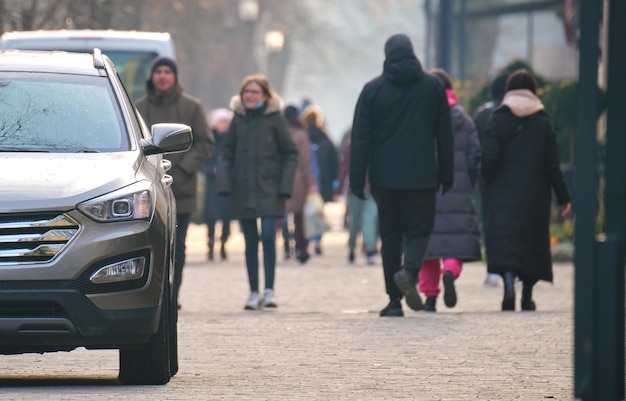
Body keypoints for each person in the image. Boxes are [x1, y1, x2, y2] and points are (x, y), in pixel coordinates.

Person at [350, 33, 454, 317]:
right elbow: (444, 135)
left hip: (385, 177)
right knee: (419, 230)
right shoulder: (433, 87)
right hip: (422, 174)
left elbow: (360, 139)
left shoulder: (372, 90)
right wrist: (447, 174)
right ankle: (409, 272)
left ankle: (394, 300)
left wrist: (357, 181)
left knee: (391, 237)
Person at [481, 69, 571, 311]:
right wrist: (564, 197)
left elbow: (488, 157)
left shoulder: (497, 119)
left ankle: (508, 282)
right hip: (535, 194)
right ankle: (527, 296)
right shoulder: (544, 122)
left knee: (505, 238)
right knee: (532, 241)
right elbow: (553, 165)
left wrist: (487, 179)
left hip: (503, 191)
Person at [135, 56, 214, 308]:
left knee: (177, 247)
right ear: (152, 76)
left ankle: (172, 296)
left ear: (175, 76)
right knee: (149, 244)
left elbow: (205, 142)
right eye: (158, 71)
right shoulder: (138, 109)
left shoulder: (192, 107)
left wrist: (184, 170)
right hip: (146, 191)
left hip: (181, 189)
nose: (162, 76)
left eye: (167, 71)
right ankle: (151, 294)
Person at [216, 74, 298, 310]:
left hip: (270, 188)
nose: (250, 96)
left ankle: (270, 290)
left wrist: (285, 185)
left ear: (265, 95)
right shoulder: (238, 120)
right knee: (250, 241)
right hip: (244, 189)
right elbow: (227, 153)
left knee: (269, 236)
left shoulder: (275, 119)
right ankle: (253, 292)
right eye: (247, 92)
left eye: (255, 92)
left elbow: (290, 152)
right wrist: (225, 182)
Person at [417, 68, 482, 312]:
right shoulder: (464, 121)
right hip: (457, 187)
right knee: (455, 243)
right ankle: (450, 271)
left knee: (428, 247)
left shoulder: (421, 118)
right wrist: (471, 179)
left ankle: (431, 297)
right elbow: (475, 154)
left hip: (426, 189)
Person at [473, 72, 509, 287]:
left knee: (489, 222)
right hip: (512, 177)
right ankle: (510, 269)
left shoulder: (481, 114)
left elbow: (477, 148)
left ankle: (493, 270)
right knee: (512, 222)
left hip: (487, 176)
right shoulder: (515, 113)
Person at [334, 131, 379, 265]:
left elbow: (344, 168)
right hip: (361, 188)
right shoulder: (371, 144)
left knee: (363, 219)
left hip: (364, 188)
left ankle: (366, 248)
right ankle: (357, 247)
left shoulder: (352, 145)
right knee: (359, 220)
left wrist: (339, 188)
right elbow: (345, 168)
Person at [302, 104, 339, 256]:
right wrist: (333, 181)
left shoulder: (301, 136)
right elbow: (334, 162)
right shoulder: (325, 138)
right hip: (323, 181)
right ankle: (317, 239)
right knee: (317, 211)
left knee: (303, 212)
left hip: (303, 181)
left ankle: (303, 239)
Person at [283, 105, 319, 264]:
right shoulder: (301, 134)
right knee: (299, 218)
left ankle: (286, 246)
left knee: (281, 215)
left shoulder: (279, 132)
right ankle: (301, 248)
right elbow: (306, 161)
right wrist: (311, 183)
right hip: (298, 180)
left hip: (281, 177)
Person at [200, 108, 233, 262]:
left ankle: (224, 243)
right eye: (221, 121)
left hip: (228, 184)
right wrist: (210, 170)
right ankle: (211, 244)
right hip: (212, 183)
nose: (224, 124)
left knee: (227, 215)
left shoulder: (232, 139)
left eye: (226, 121)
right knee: (211, 216)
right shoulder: (209, 139)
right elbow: (202, 160)